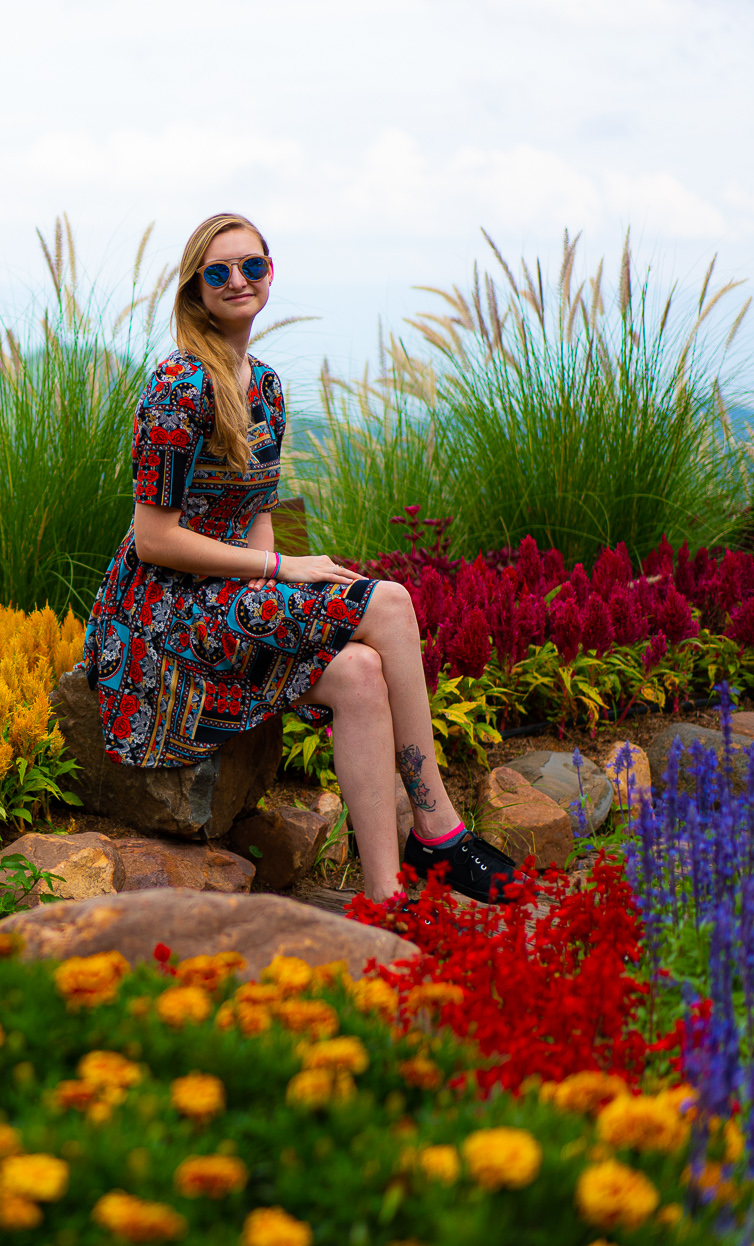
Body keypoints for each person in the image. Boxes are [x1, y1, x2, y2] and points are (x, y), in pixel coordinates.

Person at [81, 211, 516, 903]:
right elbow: (153, 539)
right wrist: (283, 573)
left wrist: (277, 598)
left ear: (269, 273)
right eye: (218, 271)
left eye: (251, 265)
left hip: (224, 605)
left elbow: (260, 514)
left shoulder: (267, 386)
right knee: (392, 601)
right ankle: (438, 828)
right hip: (158, 619)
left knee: (361, 673)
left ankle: (385, 897)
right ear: (196, 288)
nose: (238, 280)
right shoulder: (177, 387)